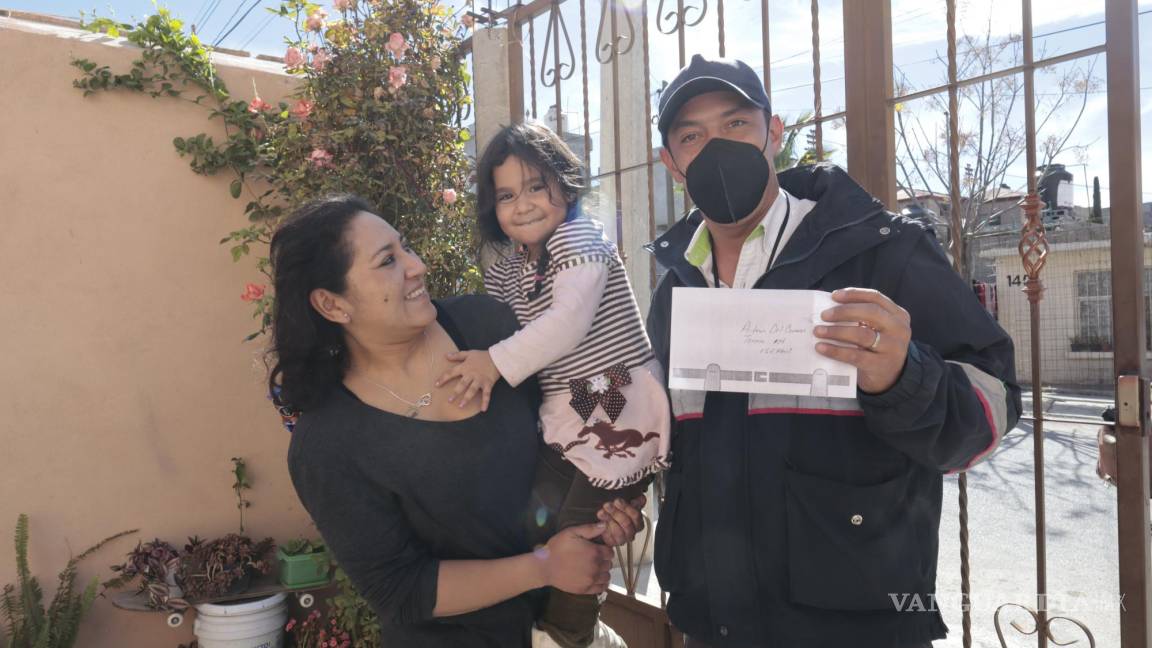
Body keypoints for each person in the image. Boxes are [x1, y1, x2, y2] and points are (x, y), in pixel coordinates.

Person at [646, 55, 1022, 648]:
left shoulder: (885, 253)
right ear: (672, 164)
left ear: (774, 134)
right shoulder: (674, 292)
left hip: (860, 626)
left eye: (736, 124)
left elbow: (991, 412)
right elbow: (670, 444)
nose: (715, 146)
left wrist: (905, 378)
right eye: (692, 136)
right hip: (713, 623)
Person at [271, 195, 646, 647]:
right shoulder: (328, 444)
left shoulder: (488, 326)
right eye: (388, 260)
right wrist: (545, 565)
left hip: (568, 630)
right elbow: (400, 588)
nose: (417, 265)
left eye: (406, 246)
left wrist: (609, 496)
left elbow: (574, 409)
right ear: (332, 304)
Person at [435, 121, 671, 648]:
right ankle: (547, 624)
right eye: (506, 194)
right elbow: (486, 316)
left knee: (584, 531)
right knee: (540, 526)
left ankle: (570, 636)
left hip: (617, 402)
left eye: (536, 186)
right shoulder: (515, 266)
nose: (523, 204)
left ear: (566, 186)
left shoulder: (578, 239)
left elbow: (566, 324)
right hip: (570, 412)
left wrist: (492, 363)